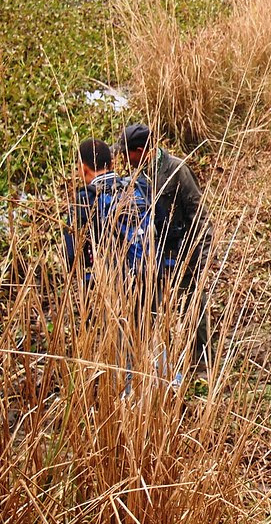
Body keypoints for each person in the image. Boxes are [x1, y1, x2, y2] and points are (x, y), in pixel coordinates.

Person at [113, 124, 212, 367]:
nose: (123, 158)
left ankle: (201, 363)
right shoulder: (133, 177)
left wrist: (206, 254)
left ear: (140, 150)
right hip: (151, 256)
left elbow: (198, 213)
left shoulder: (177, 170)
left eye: (126, 153)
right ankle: (162, 362)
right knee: (153, 309)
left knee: (192, 306)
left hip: (183, 251)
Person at [63, 139, 148, 286]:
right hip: (151, 274)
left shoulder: (85, 198)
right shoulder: (138, 186)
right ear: (112, 164)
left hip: (114, 285)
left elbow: (71, 253)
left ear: (83, 168)